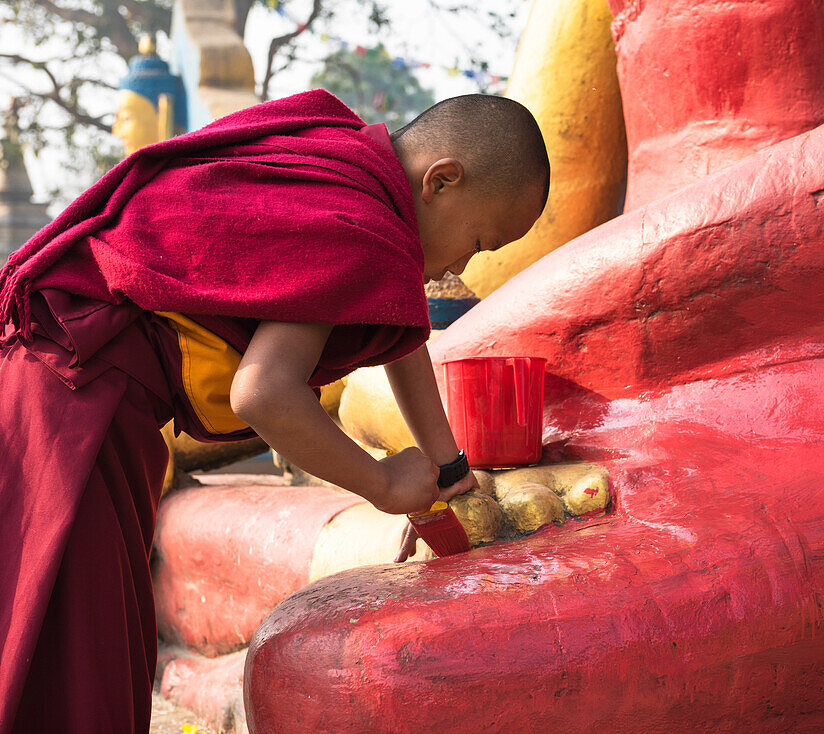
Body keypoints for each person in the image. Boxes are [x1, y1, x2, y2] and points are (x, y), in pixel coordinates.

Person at [0, 88, 549, 733]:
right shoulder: (361, 227)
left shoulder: (348, 168)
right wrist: (381, 484)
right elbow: (263, 393)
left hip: (57, 380)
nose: (461, 267)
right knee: (69, 667)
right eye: (479, 241)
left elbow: (402, 335)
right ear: (442, 181)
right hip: (73, 404)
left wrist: (450, 470)